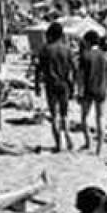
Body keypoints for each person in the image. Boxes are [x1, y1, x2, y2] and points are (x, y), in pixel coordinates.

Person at [78, 30, 107, 154]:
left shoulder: (85, 56)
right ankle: (99, 148)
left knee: (85, 117)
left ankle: (88, 143)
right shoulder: (105, 56)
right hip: (101, 89)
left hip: (88, 89)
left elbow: (80, 76)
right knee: (100, 118)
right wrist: (106, 87)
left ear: (87, 41)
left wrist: (79, 92)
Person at [34, 21, 75, 152]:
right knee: (64, 114)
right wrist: (73, 86)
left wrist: (36, 86)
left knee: (54, 115)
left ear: (50, 35)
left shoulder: (45, 49)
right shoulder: (67, 49)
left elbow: (38, 69)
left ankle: (58, 144)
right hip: (64, 84)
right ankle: (68, 139)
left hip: (50, 85)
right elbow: (73, 69)